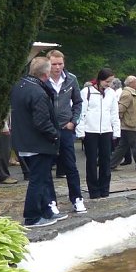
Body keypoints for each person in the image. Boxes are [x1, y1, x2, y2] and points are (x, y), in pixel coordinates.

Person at [10, 56, 66, 227]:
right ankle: (32, 217)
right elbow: (42, 122)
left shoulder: (20, 86)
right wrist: (55, 135)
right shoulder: (38, 92)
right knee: (38, 180)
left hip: (24, 141)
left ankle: (46, 211)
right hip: (38, 143)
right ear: (46, 72)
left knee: (42, 179)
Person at [46, 49, 86, 214]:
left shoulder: (71, 79)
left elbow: (78, 102)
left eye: (60, 63)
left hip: (66, 129)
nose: (57, 67)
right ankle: (50, 201)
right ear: (48, 64)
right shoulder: (42, 80)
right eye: (54, 64)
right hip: (47, 130)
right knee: (46, 167)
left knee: (70, 166)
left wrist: (74, 121)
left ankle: (77, 199)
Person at [76, 68, 121, 199]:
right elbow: (81, 112)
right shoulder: (86, 92)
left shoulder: (111, 93)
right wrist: (81, 131)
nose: (109, 84)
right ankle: (93, 190)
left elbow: (114, 113)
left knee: (106, 160)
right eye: (107, 81)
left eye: (111, 82)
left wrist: (116, 131)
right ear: (100, 80)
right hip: (90, 131)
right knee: (91, 161)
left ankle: (104, 188)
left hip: (106, 131)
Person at [110, 75, 136, 171]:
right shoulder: (127, 94)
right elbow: (120, 109)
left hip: (128, 125)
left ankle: (111, 164)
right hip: (130, 125)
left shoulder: (129, 93)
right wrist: (120, 120)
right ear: (131, 83)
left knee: (122, 146)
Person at [0, 112, 18, 185]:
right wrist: (5, 127)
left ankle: (4, 175)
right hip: (3, 126)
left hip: (5, 125)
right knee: (5, 151)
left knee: (6, 150)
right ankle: (3, 176)